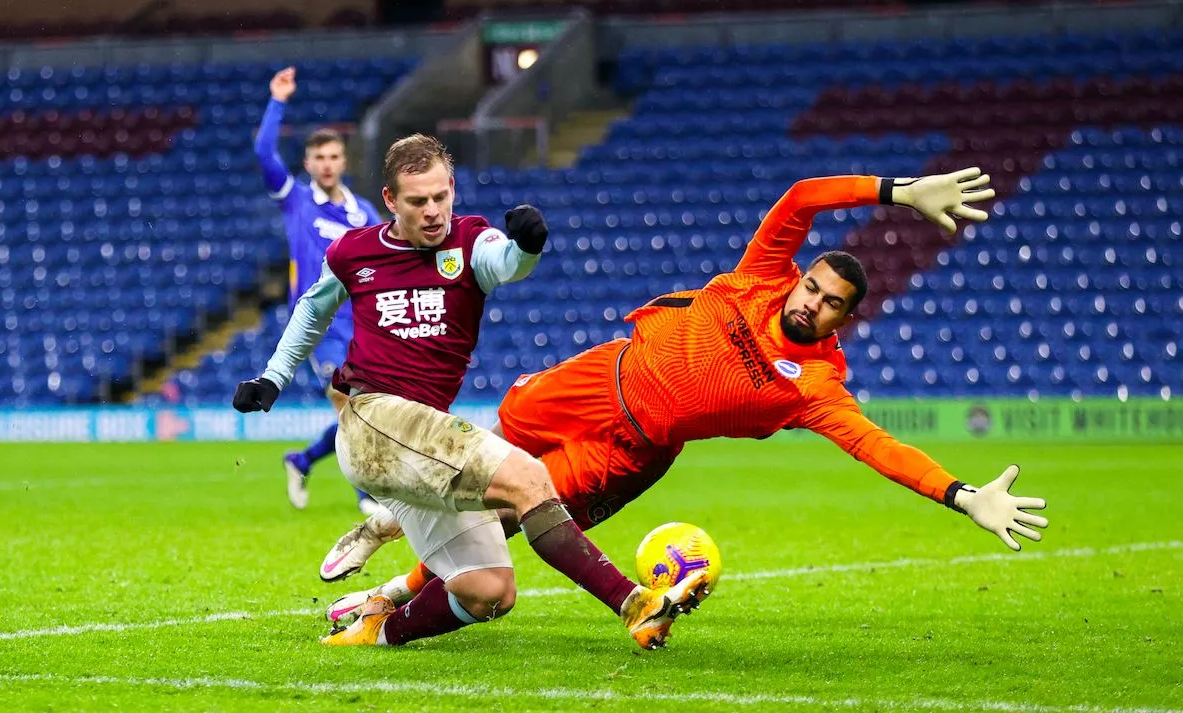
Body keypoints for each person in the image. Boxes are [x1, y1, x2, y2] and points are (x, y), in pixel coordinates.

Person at [318, 167, 1050, 616]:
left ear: (841, 320)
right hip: (597, 376)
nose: (810, 302)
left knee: (516, 507)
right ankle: (394, 516)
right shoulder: (760, 276)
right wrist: (896, 190)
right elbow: (800, 200)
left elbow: (877, 447)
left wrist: (961, 494)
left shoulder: (817, 388)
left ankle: (390, 588)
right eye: (811, 286)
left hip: (632, 448)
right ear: (798, 278)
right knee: (497, 436)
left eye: (828, 303)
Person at [233, 134, 712, 650]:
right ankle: (636, 605)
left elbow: (505, 262)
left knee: (490, 592)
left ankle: (377, 629)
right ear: (391, 200)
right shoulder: (354, 251)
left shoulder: (469, 242)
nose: (434, 211)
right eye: (418, 201)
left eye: (442, 196)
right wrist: (272, 377)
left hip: (418, 446)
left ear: (453, 189)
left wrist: (526, 246)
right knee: (529, 476)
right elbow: (312, 308)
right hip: (373, 418)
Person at [255, 66, 383, 514]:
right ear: (308, 163)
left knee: (368, 409)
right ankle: (366, 493)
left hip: (362, 323)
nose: (327, 164)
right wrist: (278, 100)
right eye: (319, 158)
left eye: (333, 156)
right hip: (319, 324)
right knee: (349, 405)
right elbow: (263, 151)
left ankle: (303, 459)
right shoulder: (295, 198)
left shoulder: (364, 213)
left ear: (343, 161)